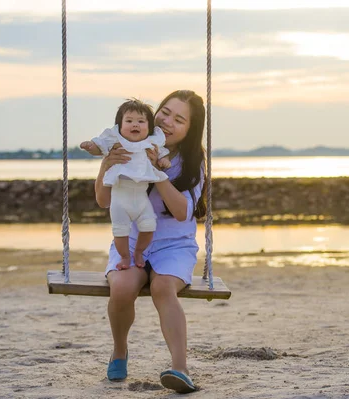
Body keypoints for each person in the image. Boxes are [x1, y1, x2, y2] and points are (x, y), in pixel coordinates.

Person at [94, 90, 206, 394]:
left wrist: (157, 172)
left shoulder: (192, 161)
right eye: (165, 112)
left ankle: (180, 368)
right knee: (121, 287)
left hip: (174, 245)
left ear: (189, 129)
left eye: (179, 119)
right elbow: (104, 201)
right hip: (131, 242)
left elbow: (183, 212)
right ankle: (120, 351)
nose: (167, 122)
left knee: (162, 287)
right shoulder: (126, 146)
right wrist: (106, 164)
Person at [81, 99, 171, 269]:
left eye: (140, 121)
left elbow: (162, 155)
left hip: (141, 196)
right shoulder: (116, 141)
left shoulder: (152, 143)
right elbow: (99, 146)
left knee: (149, 226)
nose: (134, 125)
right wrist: (90, 146)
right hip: (120, 197)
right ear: (119, 126)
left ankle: (138, 252)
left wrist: (164, 160)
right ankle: (124, 257)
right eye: (129, 121)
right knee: (120, 231)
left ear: (149, 127)